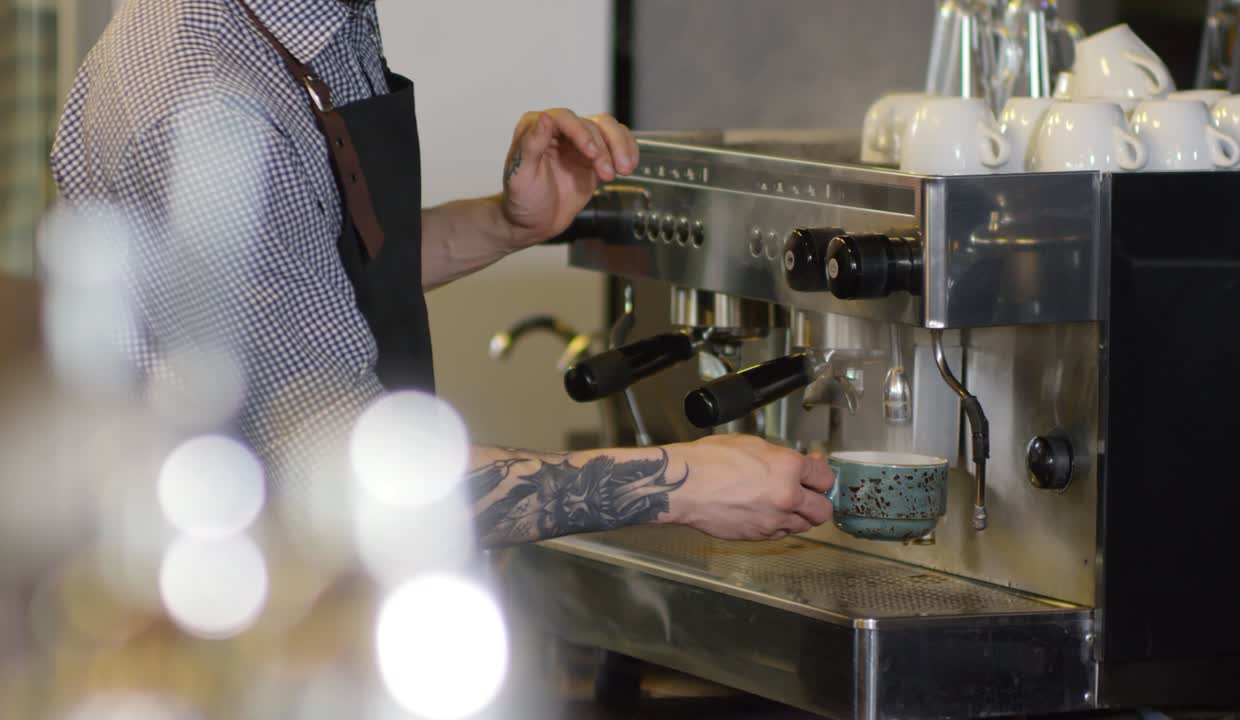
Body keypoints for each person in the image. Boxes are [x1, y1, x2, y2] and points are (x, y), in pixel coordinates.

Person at [50, 0, 833, 547]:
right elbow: (354, 483)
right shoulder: (205, 101)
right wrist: (683, 483)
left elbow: (309, 275)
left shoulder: (309, 22)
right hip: (252, 625)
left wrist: (506, 223)